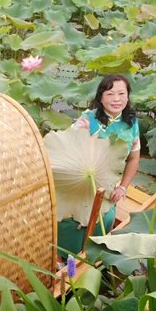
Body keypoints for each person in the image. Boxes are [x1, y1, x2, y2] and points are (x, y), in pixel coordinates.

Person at [57, 74, 141, 255]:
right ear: (101, 98)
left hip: (108, 187)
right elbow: (66, 151)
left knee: (106, 218)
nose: (117, 99)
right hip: (80, 182)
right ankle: (65, 258)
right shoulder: (87, 120)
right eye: (110, 94)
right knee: (73, 223)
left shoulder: (131, 123)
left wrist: (123, 188)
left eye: (121, 93)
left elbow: (134, 158)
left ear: (128, 96)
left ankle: (94, 258)